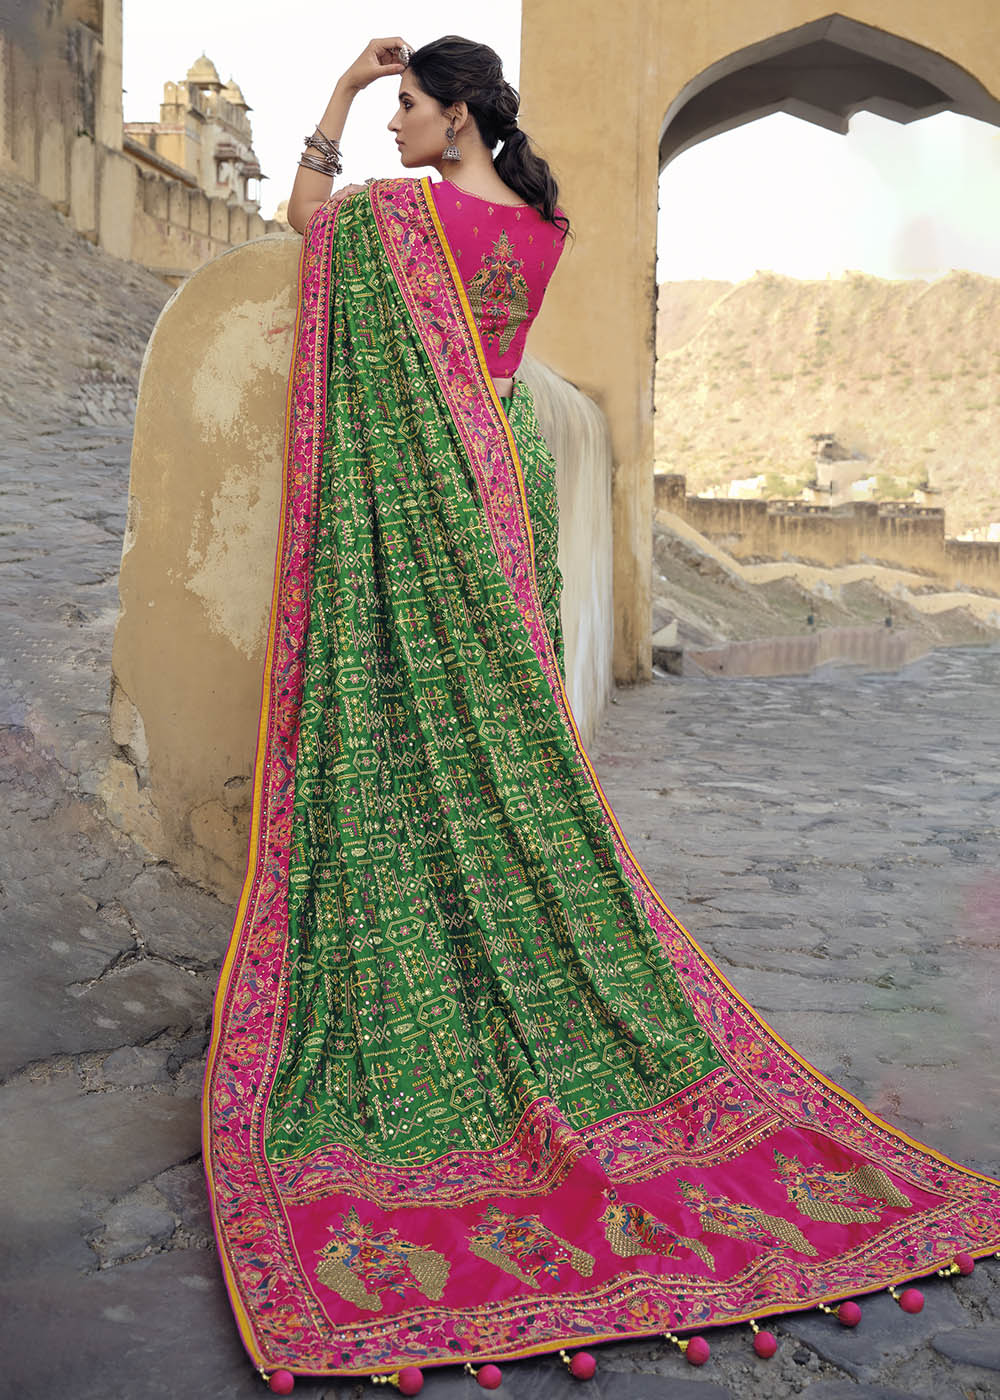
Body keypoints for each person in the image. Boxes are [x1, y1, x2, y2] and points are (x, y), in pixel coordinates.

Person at [203, 34, 1000, 1396]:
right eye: (385, 108)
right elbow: (493, 367)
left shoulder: (404, 220)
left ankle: (434, 952)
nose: (394, 128)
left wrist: (327, 97)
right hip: (498, 498)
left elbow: (298, 227)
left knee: (409, 738)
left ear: (454, 119)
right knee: (508, 748)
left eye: (406, 109)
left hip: (419, 516)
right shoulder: (552, 227)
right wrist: (366, 103)